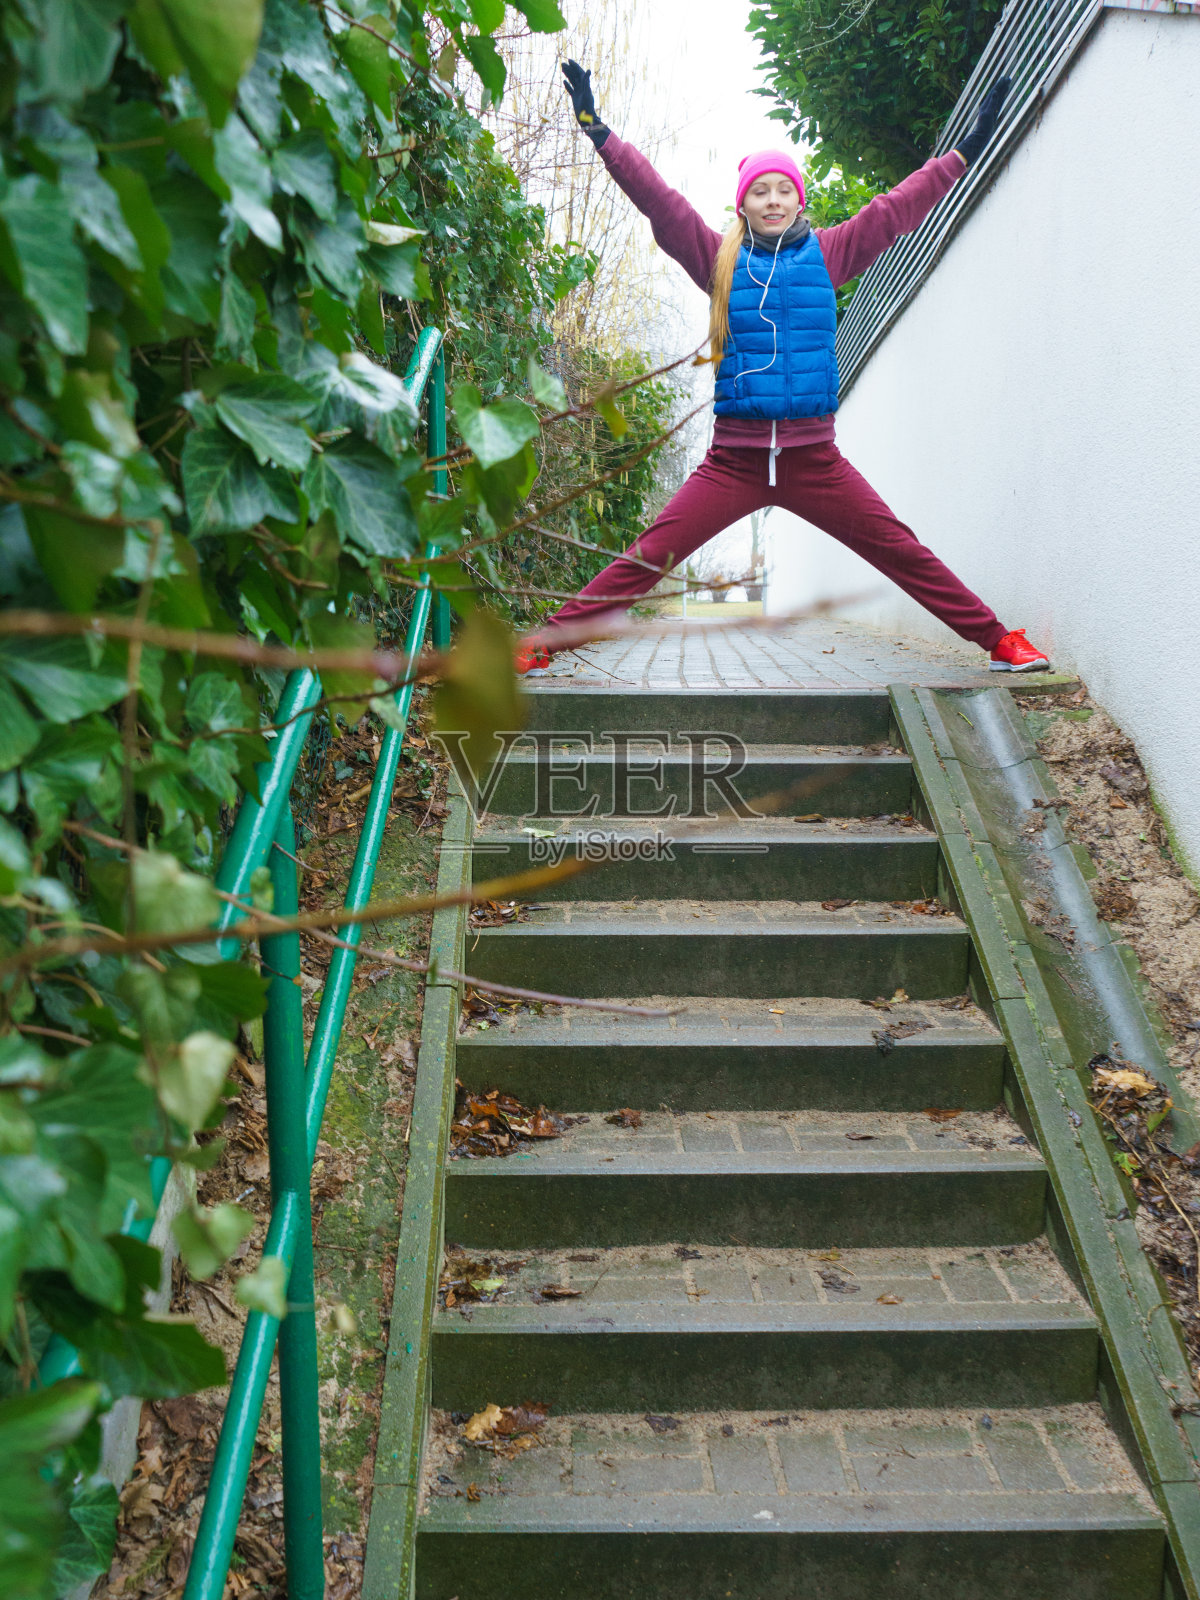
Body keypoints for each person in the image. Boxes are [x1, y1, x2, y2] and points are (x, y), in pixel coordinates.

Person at [515, 61, 1051, 677]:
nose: (773, 200)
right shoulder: (717, 259)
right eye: (760, 191)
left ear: (799, 197)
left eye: (783, 189)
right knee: (650, 554)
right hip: (733, 462)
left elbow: (900, 207)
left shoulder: (832, 252)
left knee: (899, 549)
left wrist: (962, 153)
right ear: (742, 202)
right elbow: (659, 202)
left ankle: (1000, 642)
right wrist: (599, 133)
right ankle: (541, 644)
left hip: (815, 459)